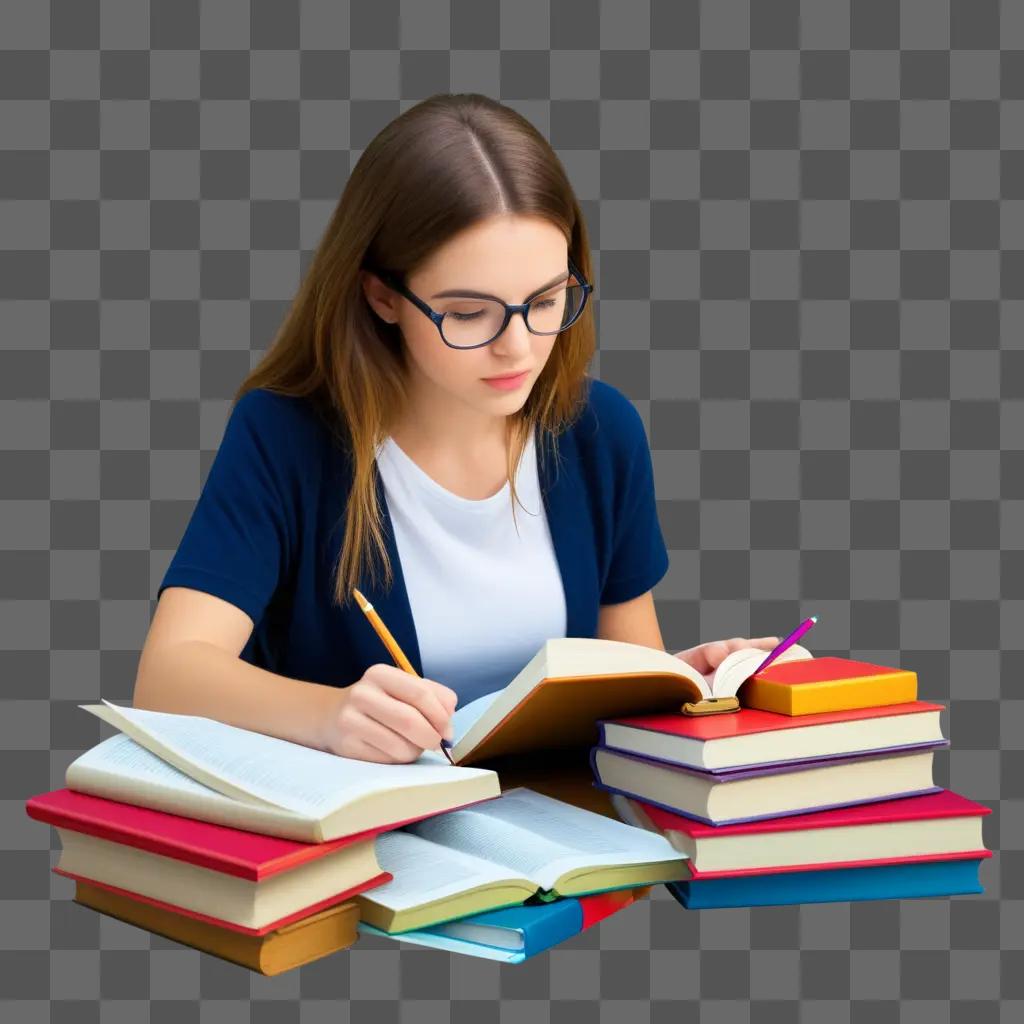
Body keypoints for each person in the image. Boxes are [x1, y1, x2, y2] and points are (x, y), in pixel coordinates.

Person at [132, 92, 779, 764]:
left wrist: (689, 685)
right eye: (469, 314)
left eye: (546, 301)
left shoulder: (598, 431)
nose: (519, 349)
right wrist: (328, 715)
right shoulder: (286, 436)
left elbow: (623, 679)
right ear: (382, 296)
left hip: (563, 841)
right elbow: (169, 675)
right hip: (369, 850)